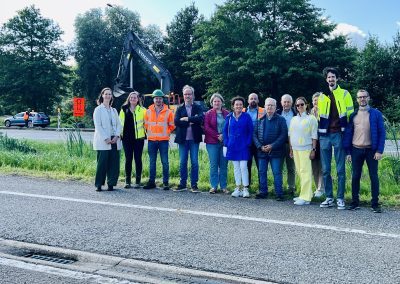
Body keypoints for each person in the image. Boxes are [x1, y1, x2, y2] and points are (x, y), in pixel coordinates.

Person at [343, 90, 385, 213]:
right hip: (356, 150)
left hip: (371, 150)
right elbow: (348, 134)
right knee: (355, 176)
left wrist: (379, 150)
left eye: (364, 97)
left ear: (368, 98)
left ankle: (375, 204)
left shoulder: (376, 114)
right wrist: (348, 152)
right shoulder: (353, 115)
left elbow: (382, 133)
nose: (362, 99)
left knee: (374, 176)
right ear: (357, 99)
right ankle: (355, 202)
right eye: (360, 97)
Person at [318, 67, 354, 209]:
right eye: (329, 77)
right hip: (325, 136)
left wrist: (349, 135)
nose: (331, 79)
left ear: (337, 78)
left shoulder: (345, 94)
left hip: (339, 134)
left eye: (333, 77)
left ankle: (340, 198)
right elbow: (319, 117)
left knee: (340, 169)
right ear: (326, 79)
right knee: (326, 169)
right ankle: (329, 197)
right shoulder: (322, 97)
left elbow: (351, 116)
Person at [253, 98, 287, 201]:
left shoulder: (281, 119)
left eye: (272, 105)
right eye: (268, 105)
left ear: (276, 107)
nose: (270, 107)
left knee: (277, 172)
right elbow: (254, 135)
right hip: (262, 151)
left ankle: (279, 193)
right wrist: (260, 146)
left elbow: (283, 135)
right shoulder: (260, 119)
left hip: (276, 151)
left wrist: (272, 146)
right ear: (265, 106)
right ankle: (263, 192)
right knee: (262, 172)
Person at [173, 85, 204, 192]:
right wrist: (190, 122)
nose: (187, 96)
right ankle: (182, 184)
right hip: (182, 139)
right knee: (182, 162)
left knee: (194, 162)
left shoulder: (198, 107)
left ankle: (194, 185)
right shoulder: (179, 108)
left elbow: (200, 119)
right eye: (185, 94)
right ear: (183, 95)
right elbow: (176, 122)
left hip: (194, 139)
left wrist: (186, 118)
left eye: (189, 94)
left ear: (193, 95)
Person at [143, 89, 175, 190]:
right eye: (156, 98)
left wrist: (166, 133)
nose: (158, 100)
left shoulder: (169, 112)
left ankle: (165, 183)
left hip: (163, 141)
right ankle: (151, 182)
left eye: (160, 98)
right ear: (153, 100)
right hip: (152, 140)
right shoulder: (148, 112)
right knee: (152, 162)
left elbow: (172, 125)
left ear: (162, 100)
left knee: (165, 162)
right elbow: (146, 125)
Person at [289, 97, 318, 205]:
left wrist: (313, 149)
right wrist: (291, 149)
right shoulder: (294, 119)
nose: (300, 107)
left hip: (306, 148)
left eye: (302, 104)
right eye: (297, 105)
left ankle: (305, 197)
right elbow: (290, 135)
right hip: (295, 149)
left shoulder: (311, 119)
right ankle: (306, 194)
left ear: (306, 105)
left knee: (306, 172)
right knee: (300, 172)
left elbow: (314, 135)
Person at [93, 87, 122, 192]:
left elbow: (119, 125)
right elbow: (98, 125)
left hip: (114, 140)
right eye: (106, 94)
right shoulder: (98, 110)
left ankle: (111, 184)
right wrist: (106, 138)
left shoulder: (114, 110)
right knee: (102, 163)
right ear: (102, 95)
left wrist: (117, 136)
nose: (108, 96)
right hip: (103, 141)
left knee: (114, 164)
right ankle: (99, 184)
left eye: (110, 94)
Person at [224, 96, 253, 198]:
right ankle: (238, 188)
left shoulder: (247, 116)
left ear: (243, 106)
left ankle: (245, 188)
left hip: (244, 145)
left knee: (243, 167)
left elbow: (250, 131)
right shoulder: (229, 117)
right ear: (233, 106)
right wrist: (226, 143)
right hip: (232, 146)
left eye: (240, 104)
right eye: (236, 104)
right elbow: (225, 131)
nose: (238, 106)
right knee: (236, 167)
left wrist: (248, 142)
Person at [119, 91, 146, 189]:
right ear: (129, 99)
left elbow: (146, 124)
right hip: (126, 138)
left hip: (139, 138)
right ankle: (127, 181)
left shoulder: (143, 110)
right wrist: (119, 135)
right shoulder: (123, 109)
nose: (133, 99)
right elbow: (120, 123)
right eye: (131, 97)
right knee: (128, 159)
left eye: (135, 97)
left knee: (138, 159)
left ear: (138, 99)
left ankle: (138, 181)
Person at [204, 93, 229, 194]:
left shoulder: (227, 113)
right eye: (215, 101)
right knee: (214, 165)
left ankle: (223, 186)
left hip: (224, 143)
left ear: (222, 102)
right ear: (212, 103)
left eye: (218, 101)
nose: (217, 103)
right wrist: (217, 136)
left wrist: (223, 135)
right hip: (212, 142)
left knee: (223, 165)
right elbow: (206, 127)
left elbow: (230, 127)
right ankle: (214, 186)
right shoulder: (208, 114)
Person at [277, 94, 296, 195]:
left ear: (291, 103)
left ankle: (291, 188)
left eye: (288, 102)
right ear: (281, 102)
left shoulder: (296, 113)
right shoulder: (278, 113)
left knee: (291, 167)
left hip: (292, 144)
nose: (286, 104)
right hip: (279, 144)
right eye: (284, 102)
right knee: (278, 167)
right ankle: (279, 187)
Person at [244, 93, 264, 189]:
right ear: (248, 101)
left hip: (258, 143)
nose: (253, 100)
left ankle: (262, 187)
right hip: (246, 143)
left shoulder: (262, 111)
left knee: (260, 165)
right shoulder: (243, 111)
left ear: (258, 101)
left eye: (255, 99)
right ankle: (246, 186)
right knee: (247, 165)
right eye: (251, 98)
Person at [310, 92, 325, 197]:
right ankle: (317, 188)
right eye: (315, 100)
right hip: (312, 144)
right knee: (314, 167)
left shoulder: (325, 111)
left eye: (318, 100)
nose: (316, 102)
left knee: (322, 167)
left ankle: (322, 188)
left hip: (323, 142)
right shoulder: (310, 113)